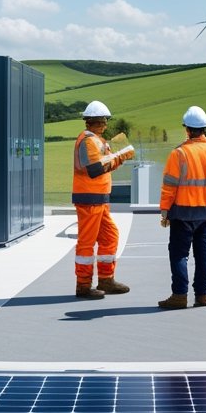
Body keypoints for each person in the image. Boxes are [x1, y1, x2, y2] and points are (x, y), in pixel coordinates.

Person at [158, 106, 206, 309]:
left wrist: (165, 211)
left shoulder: (179, 153)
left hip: (183, 211)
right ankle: (203, 295)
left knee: (179, 254)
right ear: (205, 129)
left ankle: (180, 295)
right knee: (203, 254)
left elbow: (169, 185)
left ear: (187, 129)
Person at [71, 100, 135, 299]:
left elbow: (105, 164)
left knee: (110, 237)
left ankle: (106, 279)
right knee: (87, 242)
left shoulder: (98, 140)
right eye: (102, 121)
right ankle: (83, 285)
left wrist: (118, 156)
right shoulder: (88, 141)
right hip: (89, 199)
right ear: (93, 121)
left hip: (99, 199)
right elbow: (95, 169)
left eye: (105, 121)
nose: (105, 125)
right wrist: (120, 156)